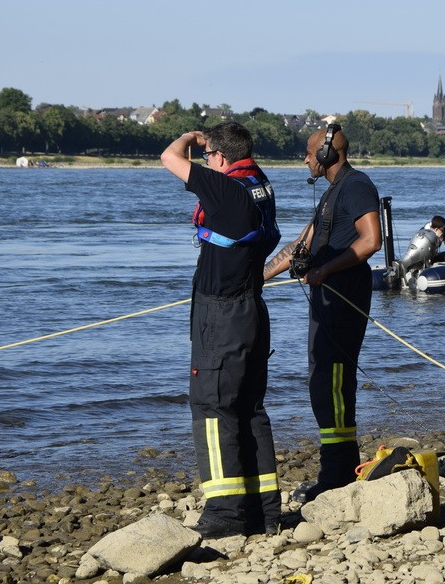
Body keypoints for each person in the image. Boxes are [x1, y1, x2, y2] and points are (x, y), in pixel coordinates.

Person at [160, 121, 282, 539]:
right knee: (249, 407)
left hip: (223, 313)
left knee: (212, 407)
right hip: (251, 306)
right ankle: (265, 509)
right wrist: (209, 144)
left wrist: (190, 139)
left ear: (220, 157)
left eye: (209, 154)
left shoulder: (227, 189)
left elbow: (168, 158)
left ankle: (227, 512)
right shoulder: (259, 184)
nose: (205, 160)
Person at [263, 124, 382, 503]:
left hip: (344, 297)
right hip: (326, 299)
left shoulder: (357, 185)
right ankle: (338, 468)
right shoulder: (332, 192)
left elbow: (371, 241)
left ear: (328, 154)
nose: (305, 158)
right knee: (321, 382)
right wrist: (258, 276)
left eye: (309, 152)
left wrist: (327, 270)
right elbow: (303, 242)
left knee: (332, 383)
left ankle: (337, 474)